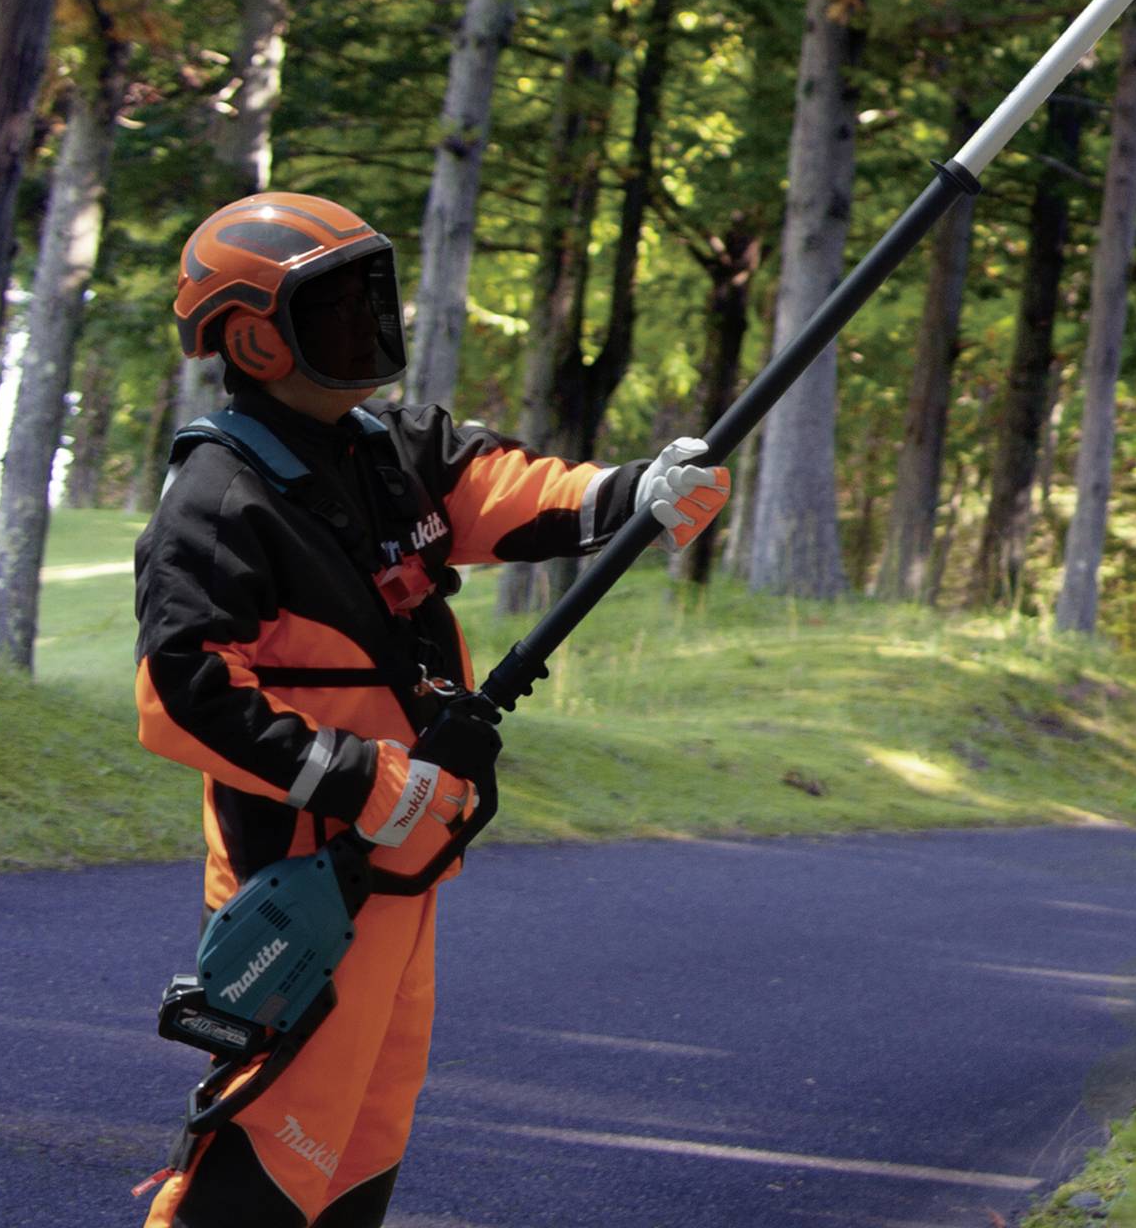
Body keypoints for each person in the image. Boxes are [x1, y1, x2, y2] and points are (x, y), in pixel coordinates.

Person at [134, 191, 729, 1227]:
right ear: (252, 337)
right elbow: (181, 697)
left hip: (408, 871)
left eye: (374, 296)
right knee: (273, 1143)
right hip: (306, 880)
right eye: (334, 305)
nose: (368, 324)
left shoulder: (386, 446)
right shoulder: (221, 497)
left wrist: (634, 494)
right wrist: (361, 778)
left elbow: (502, 489)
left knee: (365, 1138)